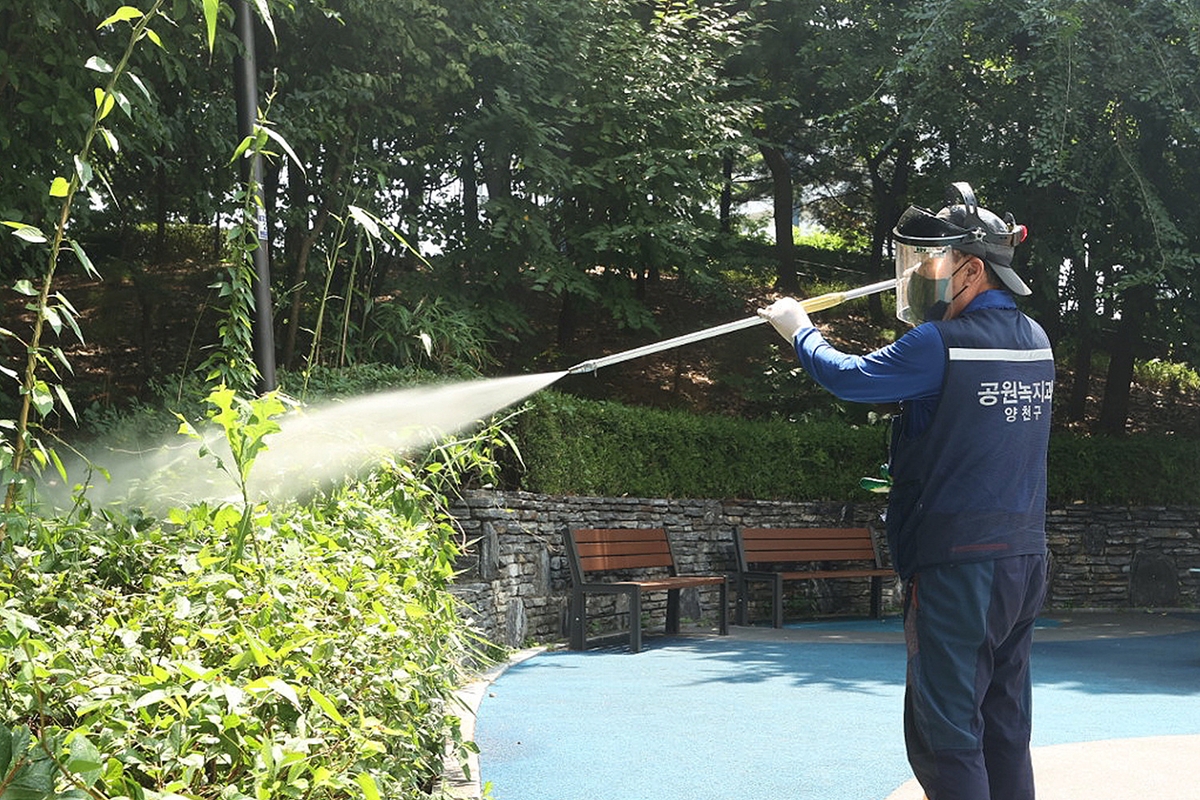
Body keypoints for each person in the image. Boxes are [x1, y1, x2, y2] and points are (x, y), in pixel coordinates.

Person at [758, 182, 1055, 800]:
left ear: (972, 270)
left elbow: (850, 378)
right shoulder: (1036, 341)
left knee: (946, 732)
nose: (920, 277)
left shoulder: (941, 344)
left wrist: (799, 331)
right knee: (1003, 727)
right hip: (1023, 561)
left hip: (956, 566)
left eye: (932, 263)